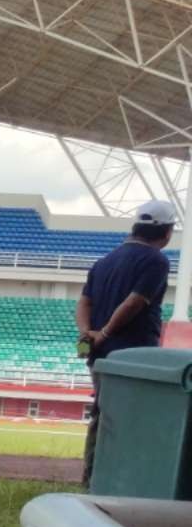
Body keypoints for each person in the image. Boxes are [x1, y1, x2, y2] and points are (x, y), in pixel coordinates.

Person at [77, 199, 180, 485]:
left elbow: (84, 302)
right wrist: (107, 332)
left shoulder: (104, 262)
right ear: (167, 231)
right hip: (135, 354)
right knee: (137, 417)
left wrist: (89, 332)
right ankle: (128, 477)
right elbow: (135, 302)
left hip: (100, 354)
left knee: (103, 413)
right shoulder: (156, 261)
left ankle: (92, 475)